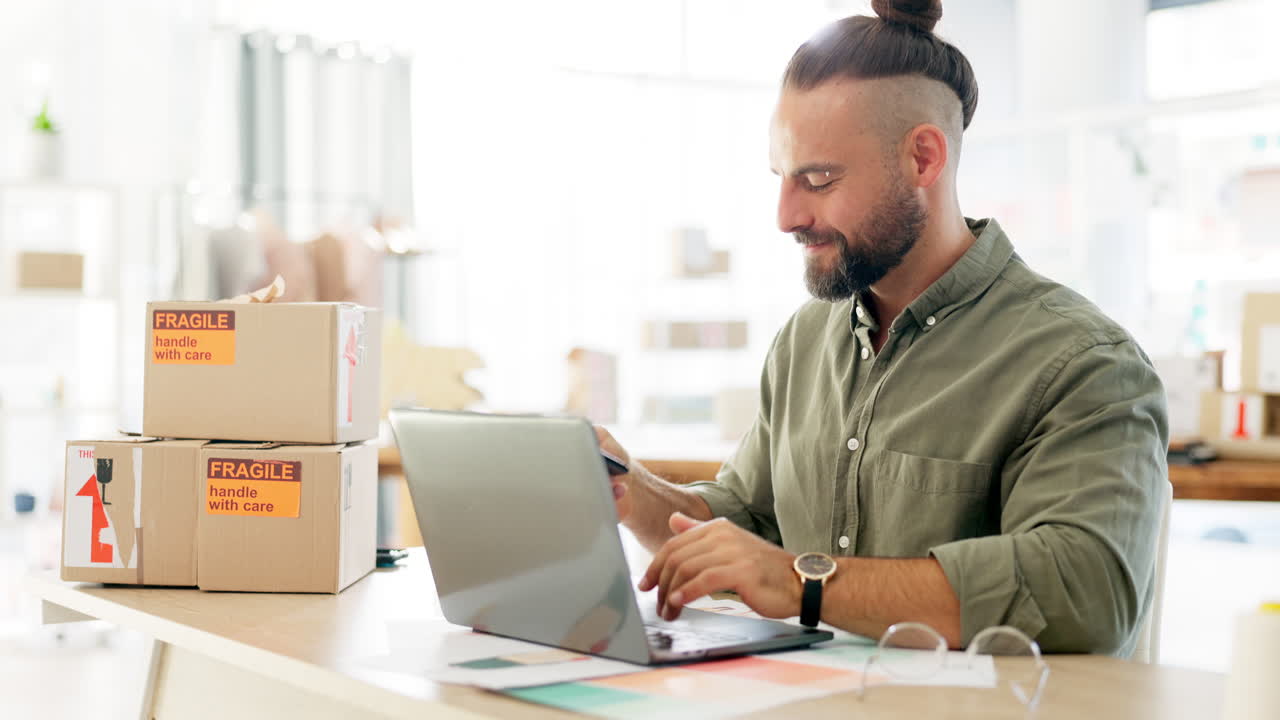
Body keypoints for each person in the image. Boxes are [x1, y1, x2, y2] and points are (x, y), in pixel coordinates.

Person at [597, 0, 1168, 657]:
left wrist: (802, 582)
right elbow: (747, 525)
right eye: (783, 178)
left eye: (818, 179)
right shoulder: (804, 341)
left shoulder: (1080, 361)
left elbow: (1086, 591)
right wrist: (628, 487)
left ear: (924, 159)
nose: (785, 216)